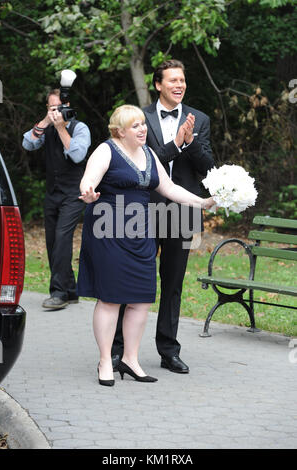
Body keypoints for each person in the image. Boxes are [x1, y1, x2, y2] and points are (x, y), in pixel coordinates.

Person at [77, 104, 215, 386]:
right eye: (136, 126)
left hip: (141, 233)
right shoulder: (106, 150)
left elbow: (169, 189)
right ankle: (106, 360)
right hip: (109, 231)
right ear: (120, 131)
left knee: (140, 300)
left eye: (143, 124)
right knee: (111, 298)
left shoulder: (150, 154)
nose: (142, 129)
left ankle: (130, 359)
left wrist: (203, 202)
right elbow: (88, 181)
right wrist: (88, 193)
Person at [112, 60, 215, 374]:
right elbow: (145, 160)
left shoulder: (201, 119)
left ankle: (168, 350)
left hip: (180, 211)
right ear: (158, 85)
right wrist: (176, 144)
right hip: (140, 209)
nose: (179, 85)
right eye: (173, 80)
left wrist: (191, 142)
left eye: (182, 80)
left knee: (173, 284)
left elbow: (209, 168)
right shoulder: (139, 118)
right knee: (130, 278)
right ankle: (117, 351)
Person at [22, 89, 91, 309]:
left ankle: (59, 293)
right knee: (52, 241)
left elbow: (77, 154)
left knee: (62, 237)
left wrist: (61, 127)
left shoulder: (80, 128)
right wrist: (46, 120)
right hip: (52, 193)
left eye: (58, 108)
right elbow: (28, 143)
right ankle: (71, 290)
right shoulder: (47, 127)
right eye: (51, 108)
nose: (55, 113)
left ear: (67, 106)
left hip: (74, 193)